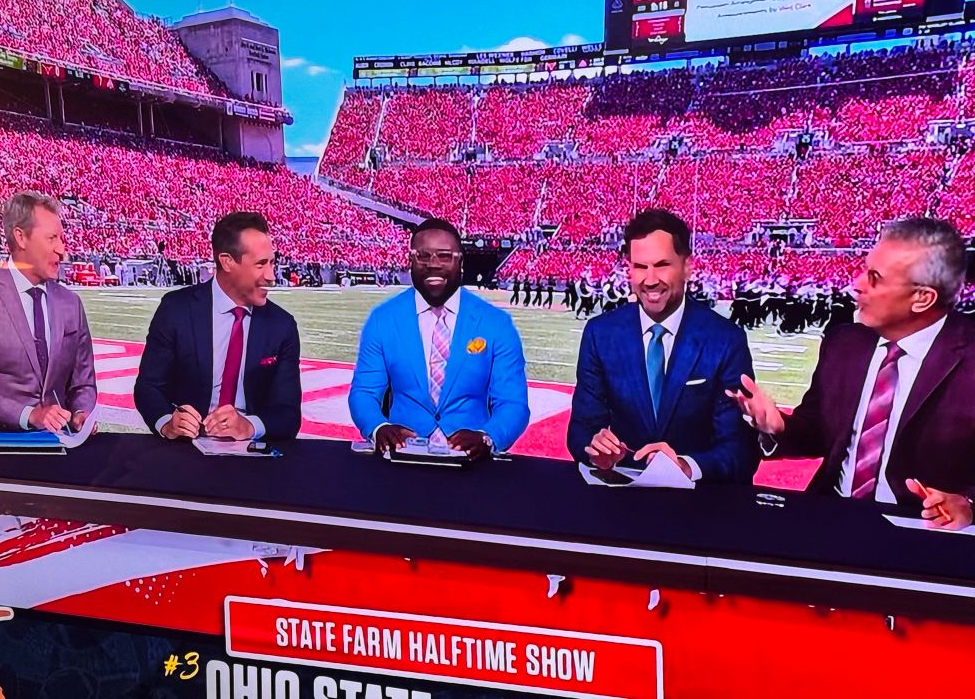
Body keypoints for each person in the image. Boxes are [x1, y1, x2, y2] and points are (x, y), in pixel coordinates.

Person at [731, 217, 975, 529]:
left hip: (925, 529)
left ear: (922, 298)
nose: (856, 285)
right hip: (832, 514)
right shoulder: (844, 344)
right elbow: (818, 432)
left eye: (875, 278)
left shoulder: (968, 359)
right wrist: (777, 426)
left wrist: (968, 504)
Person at [568, 209, 757, 482]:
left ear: (687, 267)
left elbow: (741, 450)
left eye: (662, 265)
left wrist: (685, 465)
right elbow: (581, 430)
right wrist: (596, 449)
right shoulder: (601, 334)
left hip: (698, 507)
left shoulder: (726, 340)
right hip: (622, 500)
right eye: (640, 267)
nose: (651, 279)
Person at [349, 218, 530, 460]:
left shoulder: (496, 324)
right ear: (410, 261)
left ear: (461, 262)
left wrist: (487, 436)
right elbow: (364, 392)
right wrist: (378, 428)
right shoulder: (383, 319)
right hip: (402, 459)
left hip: (471, 463)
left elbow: (513, 403)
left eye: (444, 256)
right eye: (423, 255)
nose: (433, 265)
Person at [134, 212, 302, 442]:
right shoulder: (176, 309)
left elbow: (288, 413)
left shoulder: (282, 325)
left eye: (272, 263)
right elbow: (148, 387)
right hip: (187, 449)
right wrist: (167, 422)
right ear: (227, 262)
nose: (271, 276)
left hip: (251, 455)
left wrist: (249, 426)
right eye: (261, 264)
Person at [0, 192, 97, 432]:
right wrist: (29, 415)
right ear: (20, 237)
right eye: (52, 238)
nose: (62, 250)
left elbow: (83, 383)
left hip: (60, 448)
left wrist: (82, 412)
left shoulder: (70, 303)